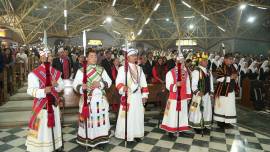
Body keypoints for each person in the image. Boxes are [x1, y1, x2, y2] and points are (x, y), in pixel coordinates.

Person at [25, 49, 64, 152]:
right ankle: (39, 149)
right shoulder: (34, 74)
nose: (50, 58)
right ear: (41, 58)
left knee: (53, 128)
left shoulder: (56, 72)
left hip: (54, 106)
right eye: (47, 56)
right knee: (41, 130)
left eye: (50, 56)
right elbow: (30, 90)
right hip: (41, 107)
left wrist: (57, 85)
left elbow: (61, 87)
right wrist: (43, 91)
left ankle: (55, 146)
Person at [73, 49, 112, 149]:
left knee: (100, 121)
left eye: (95, 56)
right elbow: (75, 85)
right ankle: (87, 140)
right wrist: (82, 87)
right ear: (87, 58)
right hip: (88, 100)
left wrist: (100, 83)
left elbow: (109, 82)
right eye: (91, 56)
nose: (94, 58)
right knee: (88, 122)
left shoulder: (101, 69)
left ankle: (102, 140)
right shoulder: (81, 71)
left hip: (100, 99)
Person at [115, 48, 149, 142]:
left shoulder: (140, 69)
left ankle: (136, 134)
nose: (135, 57)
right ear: (128, 57)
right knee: (128, 116)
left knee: (137, 115)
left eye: (135, 56)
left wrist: (145, 95)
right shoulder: (123, 68)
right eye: (133, 56)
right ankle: (126, 134)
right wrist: (123, 87)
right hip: (128, 96)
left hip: (137, 96)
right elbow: (118, 82)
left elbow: (144, 83)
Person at [160, 50, 192, 138]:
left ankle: (181, 129)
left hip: (183, 97)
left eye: (182, 62)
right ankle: (171, 131)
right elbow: (168, 85)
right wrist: (175, 85)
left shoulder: (185, 73)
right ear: (176, 62)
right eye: (179, 62)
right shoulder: (170, 72)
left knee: (182, 114)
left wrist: (189, 96)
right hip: (174, 98)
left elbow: (188, 85)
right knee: (172, 114)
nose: (181, 64)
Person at [189, 52, 214, 134]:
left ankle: (204, 125)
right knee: (195, 110)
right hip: (198, 96)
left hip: (206, 95)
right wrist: (197, 92)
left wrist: (211, 93)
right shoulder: (196, 71)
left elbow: (210, 83)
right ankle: (197, 126)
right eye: (204, 60)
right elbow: (193, 84)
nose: (206, 62)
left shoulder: (208, 72)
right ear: (200, 62)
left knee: (206, 110)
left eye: (207, 60)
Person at [214, 53, 238, 128]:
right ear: (225, 59)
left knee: (229, 107)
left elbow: (236, 74)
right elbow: (219, 78)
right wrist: (230, 77)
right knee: (221, 107)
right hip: (222, 90)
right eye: (230, 59)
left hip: (231, 90)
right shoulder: (220, 67)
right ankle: (220, 122)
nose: (231, 61)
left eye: (232, 59)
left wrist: (236, 76)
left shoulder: (233, 67)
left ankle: (227, 121)